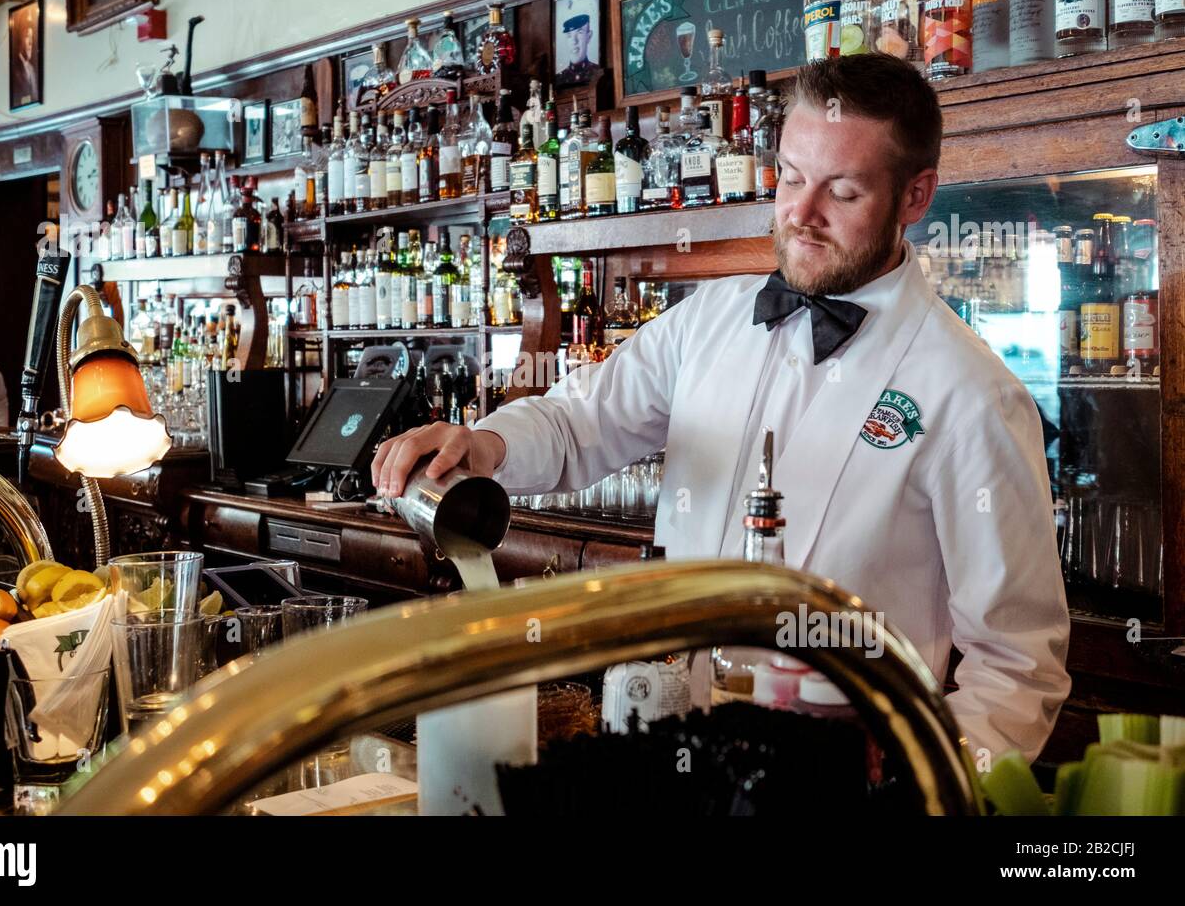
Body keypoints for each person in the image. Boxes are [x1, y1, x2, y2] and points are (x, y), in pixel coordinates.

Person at [372, 54, 1071, 763]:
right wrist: (484, 445)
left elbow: (1016, 667)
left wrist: (923, 793)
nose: (801, 213)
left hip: (836, 787)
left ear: (916, 197)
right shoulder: (712, 316)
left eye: (844, 192)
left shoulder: (972, 393)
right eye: (791, 177)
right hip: (675, 752)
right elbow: (576, 421)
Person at [556, 12, 600, 86]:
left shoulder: (598, 73)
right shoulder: (559, 79)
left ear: (589, 36)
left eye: (580, 32)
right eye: (569, 35)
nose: (574, 41)